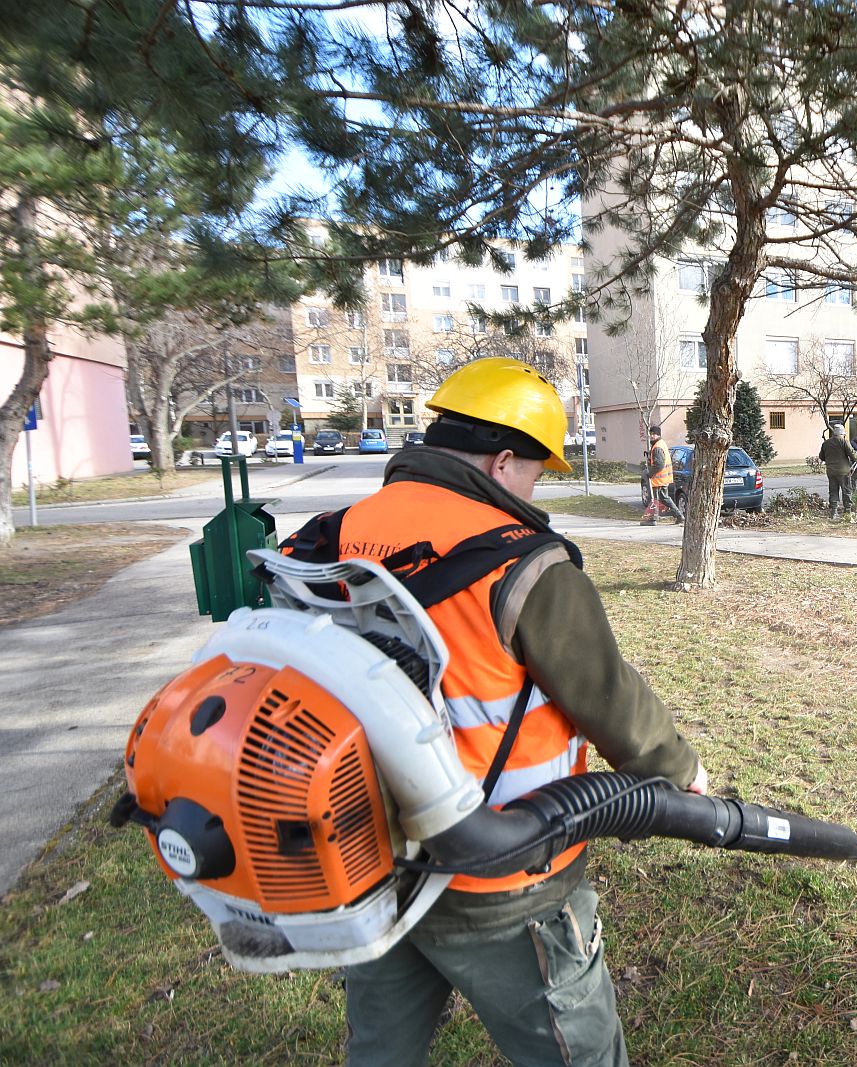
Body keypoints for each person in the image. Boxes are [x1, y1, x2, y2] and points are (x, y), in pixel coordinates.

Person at [300, 358, 708, 1067]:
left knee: (379, 1053)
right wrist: (683, 776)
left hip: (369, 862)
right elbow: (611, 697)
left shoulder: (332, 535)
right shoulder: (522, 564)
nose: (532, 491)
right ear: (503, 459)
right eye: (535, 474)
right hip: (504, 880)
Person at [641, 424, 683, 525]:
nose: (652, 436)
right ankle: (679, 515)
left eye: (654, 434)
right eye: (651, 434)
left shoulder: (657, 447)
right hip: (663, 478)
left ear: (658, 435)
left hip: (658, 479)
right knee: (664, 498)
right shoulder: (660, 443)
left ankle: (652, 519)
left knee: (655, 499)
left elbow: (659, 464)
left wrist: (650, 473)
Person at [818, 422, 857, 519]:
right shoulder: (844, 442)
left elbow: (821, 457)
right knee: (846, 491)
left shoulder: (826, 443)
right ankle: (847, 511)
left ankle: (833, 511)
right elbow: (853, 455)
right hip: (844, 472)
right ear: (842, 433)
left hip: (831, 471)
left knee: (833, 491)